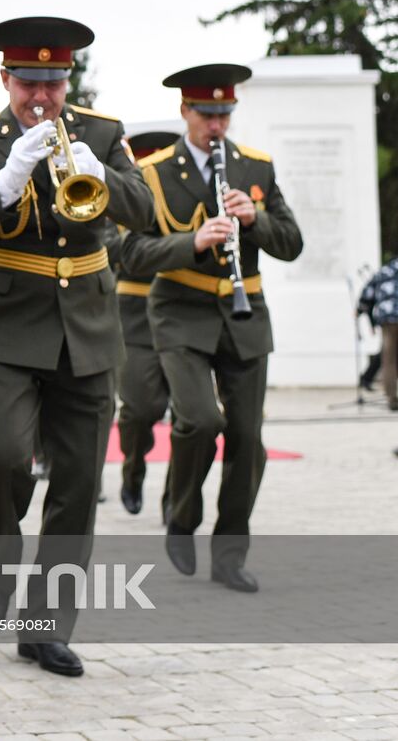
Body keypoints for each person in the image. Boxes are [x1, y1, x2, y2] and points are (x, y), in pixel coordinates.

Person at [0, 16, 155, 677]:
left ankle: (44, 627)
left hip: (88, 321)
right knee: (1, 452)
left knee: (80, 481)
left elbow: (143, 212)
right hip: (10, 316)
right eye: (29, 82)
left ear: (69, 81)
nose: (41, 97)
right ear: (6, 79)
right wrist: (4, 182)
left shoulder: (102, 133)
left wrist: (103, 175)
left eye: (53, 83)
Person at [122, 63, 303, 593]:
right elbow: (129, 253)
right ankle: (181, 515)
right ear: (185, 112)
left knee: (249, 440)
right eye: (207, 113)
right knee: (200, 421)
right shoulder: (153, 173)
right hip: (180, 311)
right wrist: (193, 242)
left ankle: (229, 553)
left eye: (225, 113)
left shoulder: (257, 167)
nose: (216, 124)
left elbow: (291, 242)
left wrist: (256, 220)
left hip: (246, 316)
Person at [113, 130, 181, 516]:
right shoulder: (124, 205)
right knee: (139, 409)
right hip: (136, 316)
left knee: (188, 417)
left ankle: (176, 497)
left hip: (183, 310)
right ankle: (133, 467)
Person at [357, 258, 398, 409]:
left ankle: (392, 399)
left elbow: (367, 293)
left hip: (388, 319)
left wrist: (360, 309)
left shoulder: (385, 270)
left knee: (389, 360)